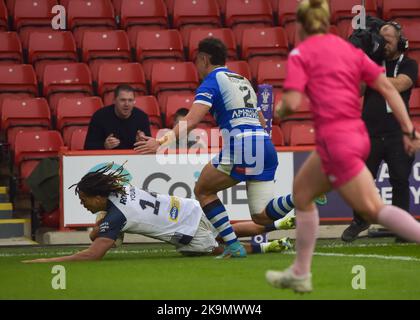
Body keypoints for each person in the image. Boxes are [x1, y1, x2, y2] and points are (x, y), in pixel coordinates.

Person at [265, 0, 420, 293]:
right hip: (354, 135)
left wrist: (280, 110)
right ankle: (300, 271)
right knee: (302, 193)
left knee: (373, 209)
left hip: (337, 140)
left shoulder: (302, 53)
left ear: (301, 25)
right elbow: (387, 88)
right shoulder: (350, 51)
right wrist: (410, 129)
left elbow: (292, 104)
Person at [135, 37, 326, 259]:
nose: (196, 66)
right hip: (264, 145)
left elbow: (193, 120)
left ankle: (234, 246)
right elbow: (263, 122)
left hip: (243, 145)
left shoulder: (212, 81)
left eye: (197, 60)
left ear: (204, 59)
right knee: (261, 217)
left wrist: (160, 142)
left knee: (203, 190)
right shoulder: (242, 80)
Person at [22, 164, 296, 263]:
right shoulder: (121, 189)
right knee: (229, 229)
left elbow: (94, 253)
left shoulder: (117, 216)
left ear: (98, 196)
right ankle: (281, 222)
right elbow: (101, 232)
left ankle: (266, 248)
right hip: (189, 207)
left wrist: (47, 261)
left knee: (223, 248)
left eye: (84, 200)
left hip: (188, 233)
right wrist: (100, 227)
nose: (83, 204)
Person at [342, 21, 419, 242]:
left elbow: (401, 84)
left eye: (388, 39)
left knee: (400, 180)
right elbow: (356, 91)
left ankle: (402, 227)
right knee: (363, 179)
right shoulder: (371, 63)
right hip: (370, 131)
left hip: (397, 133)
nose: (383, 43)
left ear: (400, 42)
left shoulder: (409, 64)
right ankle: (360, 219)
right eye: (380, 38)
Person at [84, 84, 151, 150]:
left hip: (134, 158)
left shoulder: (142, 117)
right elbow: (88, 146)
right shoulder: (99, 116)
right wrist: (104, 146)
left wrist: (142, 142)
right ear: (114, 101)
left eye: (130, 100)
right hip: (108, 158)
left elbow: (149, 147)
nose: (126, 104)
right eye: (122, 100)